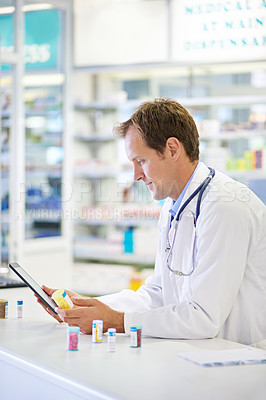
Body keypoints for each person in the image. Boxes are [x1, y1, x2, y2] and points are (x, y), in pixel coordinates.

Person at [38, 98, 266, 345]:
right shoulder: (172, 207)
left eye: (141, 161)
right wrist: (88, 307)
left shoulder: (225, 206)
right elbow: (158, 293)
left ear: (172, 149)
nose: (136, 175)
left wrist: (116, 320)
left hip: (241, 359)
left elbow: (204, 317)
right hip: (200, 354)